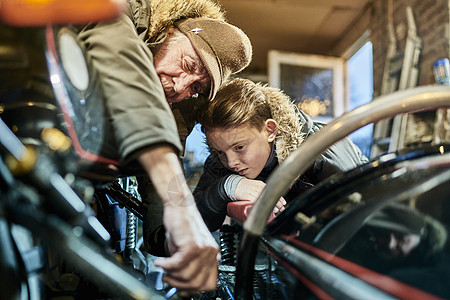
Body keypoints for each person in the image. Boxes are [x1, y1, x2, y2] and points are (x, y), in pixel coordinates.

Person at [76, 0, 252, 292]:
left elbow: (161, 183)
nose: (180, 86)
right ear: (171, 30)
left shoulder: (173, 105)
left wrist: (172, 238)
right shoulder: (124, 12)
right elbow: (125, 71)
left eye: (196, 88)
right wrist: (181, 208)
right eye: (187, 65)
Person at [194, 78, 368, 231]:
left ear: (270, 130)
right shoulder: (220, 160)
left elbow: (367, 211)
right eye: (219, 152)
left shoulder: (321, 150)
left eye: (239, 147)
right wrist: (226, 187)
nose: (231, 162)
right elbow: (194, 222)